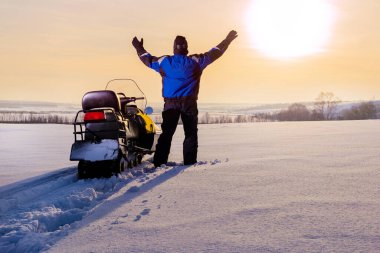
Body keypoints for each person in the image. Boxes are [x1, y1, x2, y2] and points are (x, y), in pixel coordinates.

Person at [132, 30, 238, 167]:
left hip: (170, 103)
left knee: (167, 134)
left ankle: (159, 162)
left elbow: (147, 59)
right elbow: (215, 52)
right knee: (190, 134)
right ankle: (189, 163)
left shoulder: (165, 62)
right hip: (189, 103)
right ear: (186, 47)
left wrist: (138, 47)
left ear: (174, 48)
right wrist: (227, 40)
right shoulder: (196, 61)